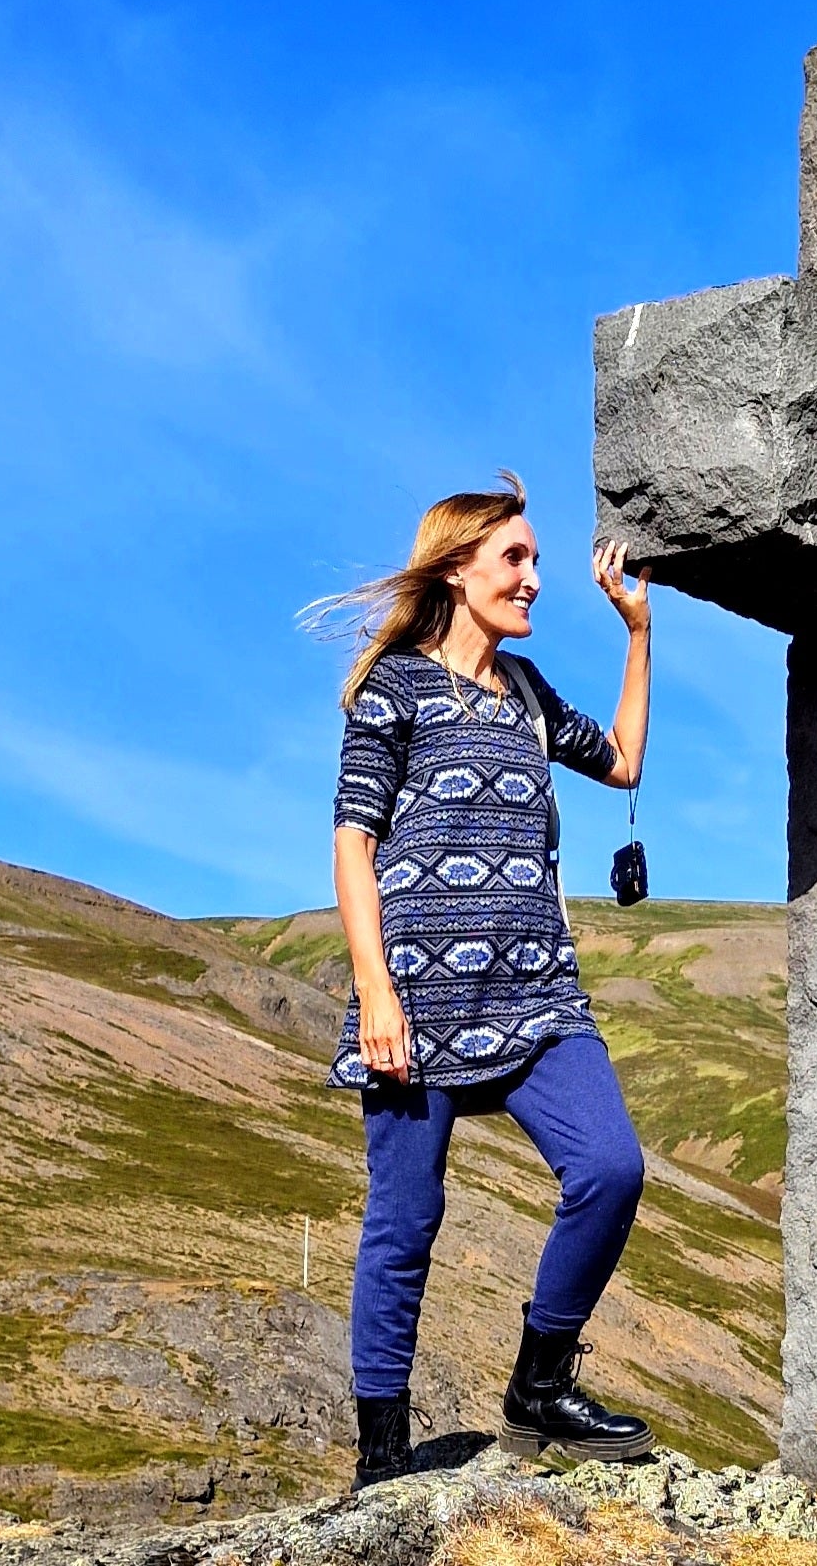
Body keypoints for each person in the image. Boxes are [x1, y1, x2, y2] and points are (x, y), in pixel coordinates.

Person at [317, 471, 653, 1489]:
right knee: (404, 1224)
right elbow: (351, 841)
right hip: (416, 1004)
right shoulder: (395, 688)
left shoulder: (531, 696)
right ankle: (381, 1454)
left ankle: (540, 1382)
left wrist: (636, 632)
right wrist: (375, 988)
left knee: (611, 1168)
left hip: (540, 994)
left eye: (537, 560)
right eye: (516, 557)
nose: (536, 578)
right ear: (456, 566)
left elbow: (627, 762)